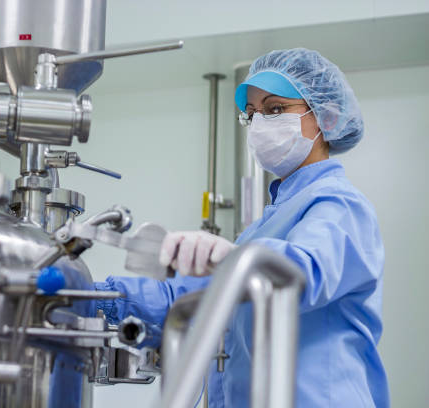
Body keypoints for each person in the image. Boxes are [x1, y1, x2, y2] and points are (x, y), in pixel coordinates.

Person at [94, 48, 388, 407]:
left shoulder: (340, 205)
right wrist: (96, 296)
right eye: (252, 114)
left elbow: (303, 273)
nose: (260, 123)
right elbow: (186, 298)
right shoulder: (262, 229)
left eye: (275, 109)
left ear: (326, 117)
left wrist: (233, 258)